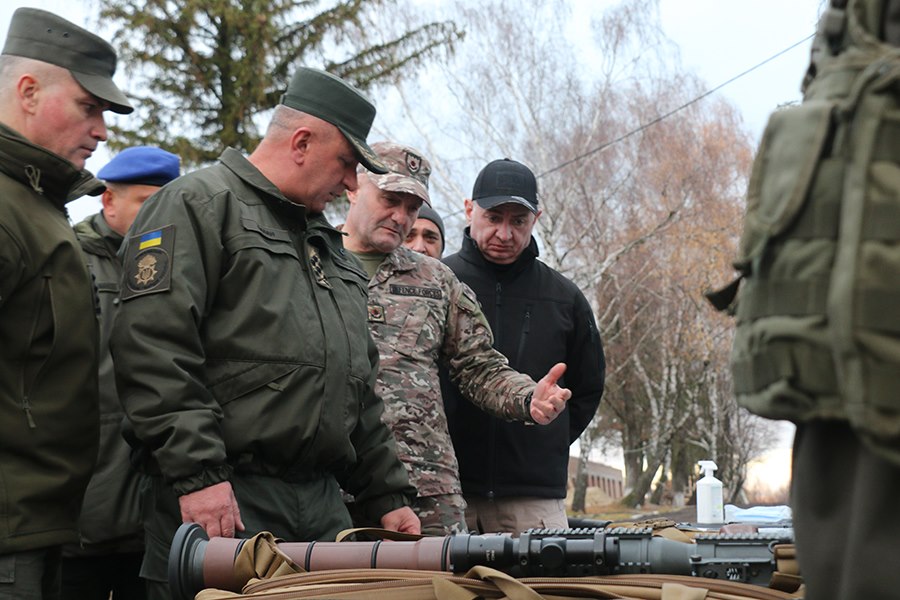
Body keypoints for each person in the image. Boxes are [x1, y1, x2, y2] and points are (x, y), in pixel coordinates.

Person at [109, 67, 419, 599]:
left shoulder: (329, 249)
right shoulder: (199, 206)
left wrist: (387, 495)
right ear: (301, 142)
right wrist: (199, 476)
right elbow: (153, 350)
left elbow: (356, 388)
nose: (350, 184)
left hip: (320, 511)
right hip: (224, 503)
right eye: (347, 163)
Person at [341, 142, 573, 535]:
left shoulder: (436, 280)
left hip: (425, 486)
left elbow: (478, 366)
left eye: (412, 207)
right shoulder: (306, 262)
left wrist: (527, 397)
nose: (401, 216)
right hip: (332, 482)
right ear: (352, 187)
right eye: (390, 199)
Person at [0, 8, 133, 599]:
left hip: (42, 527)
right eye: (89, 106)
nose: (102, 129)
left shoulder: (38, 205)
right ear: (28, 92)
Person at [442, 158, 605, 534]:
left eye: (518, 221)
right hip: (445, 494)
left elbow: (587, 388)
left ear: (536, 218)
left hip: (532, 502)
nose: (504, 232)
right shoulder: (438, 282)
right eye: (494, 217)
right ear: (470, 209)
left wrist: (546, 435)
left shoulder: (566, 298)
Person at [64, 147, 181, 600]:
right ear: (108, 200)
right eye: (144, 202)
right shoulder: (71, 260)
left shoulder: (181, 267)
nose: (158, 215)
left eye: (165, 202)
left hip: (154, 518)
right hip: (81, 511)